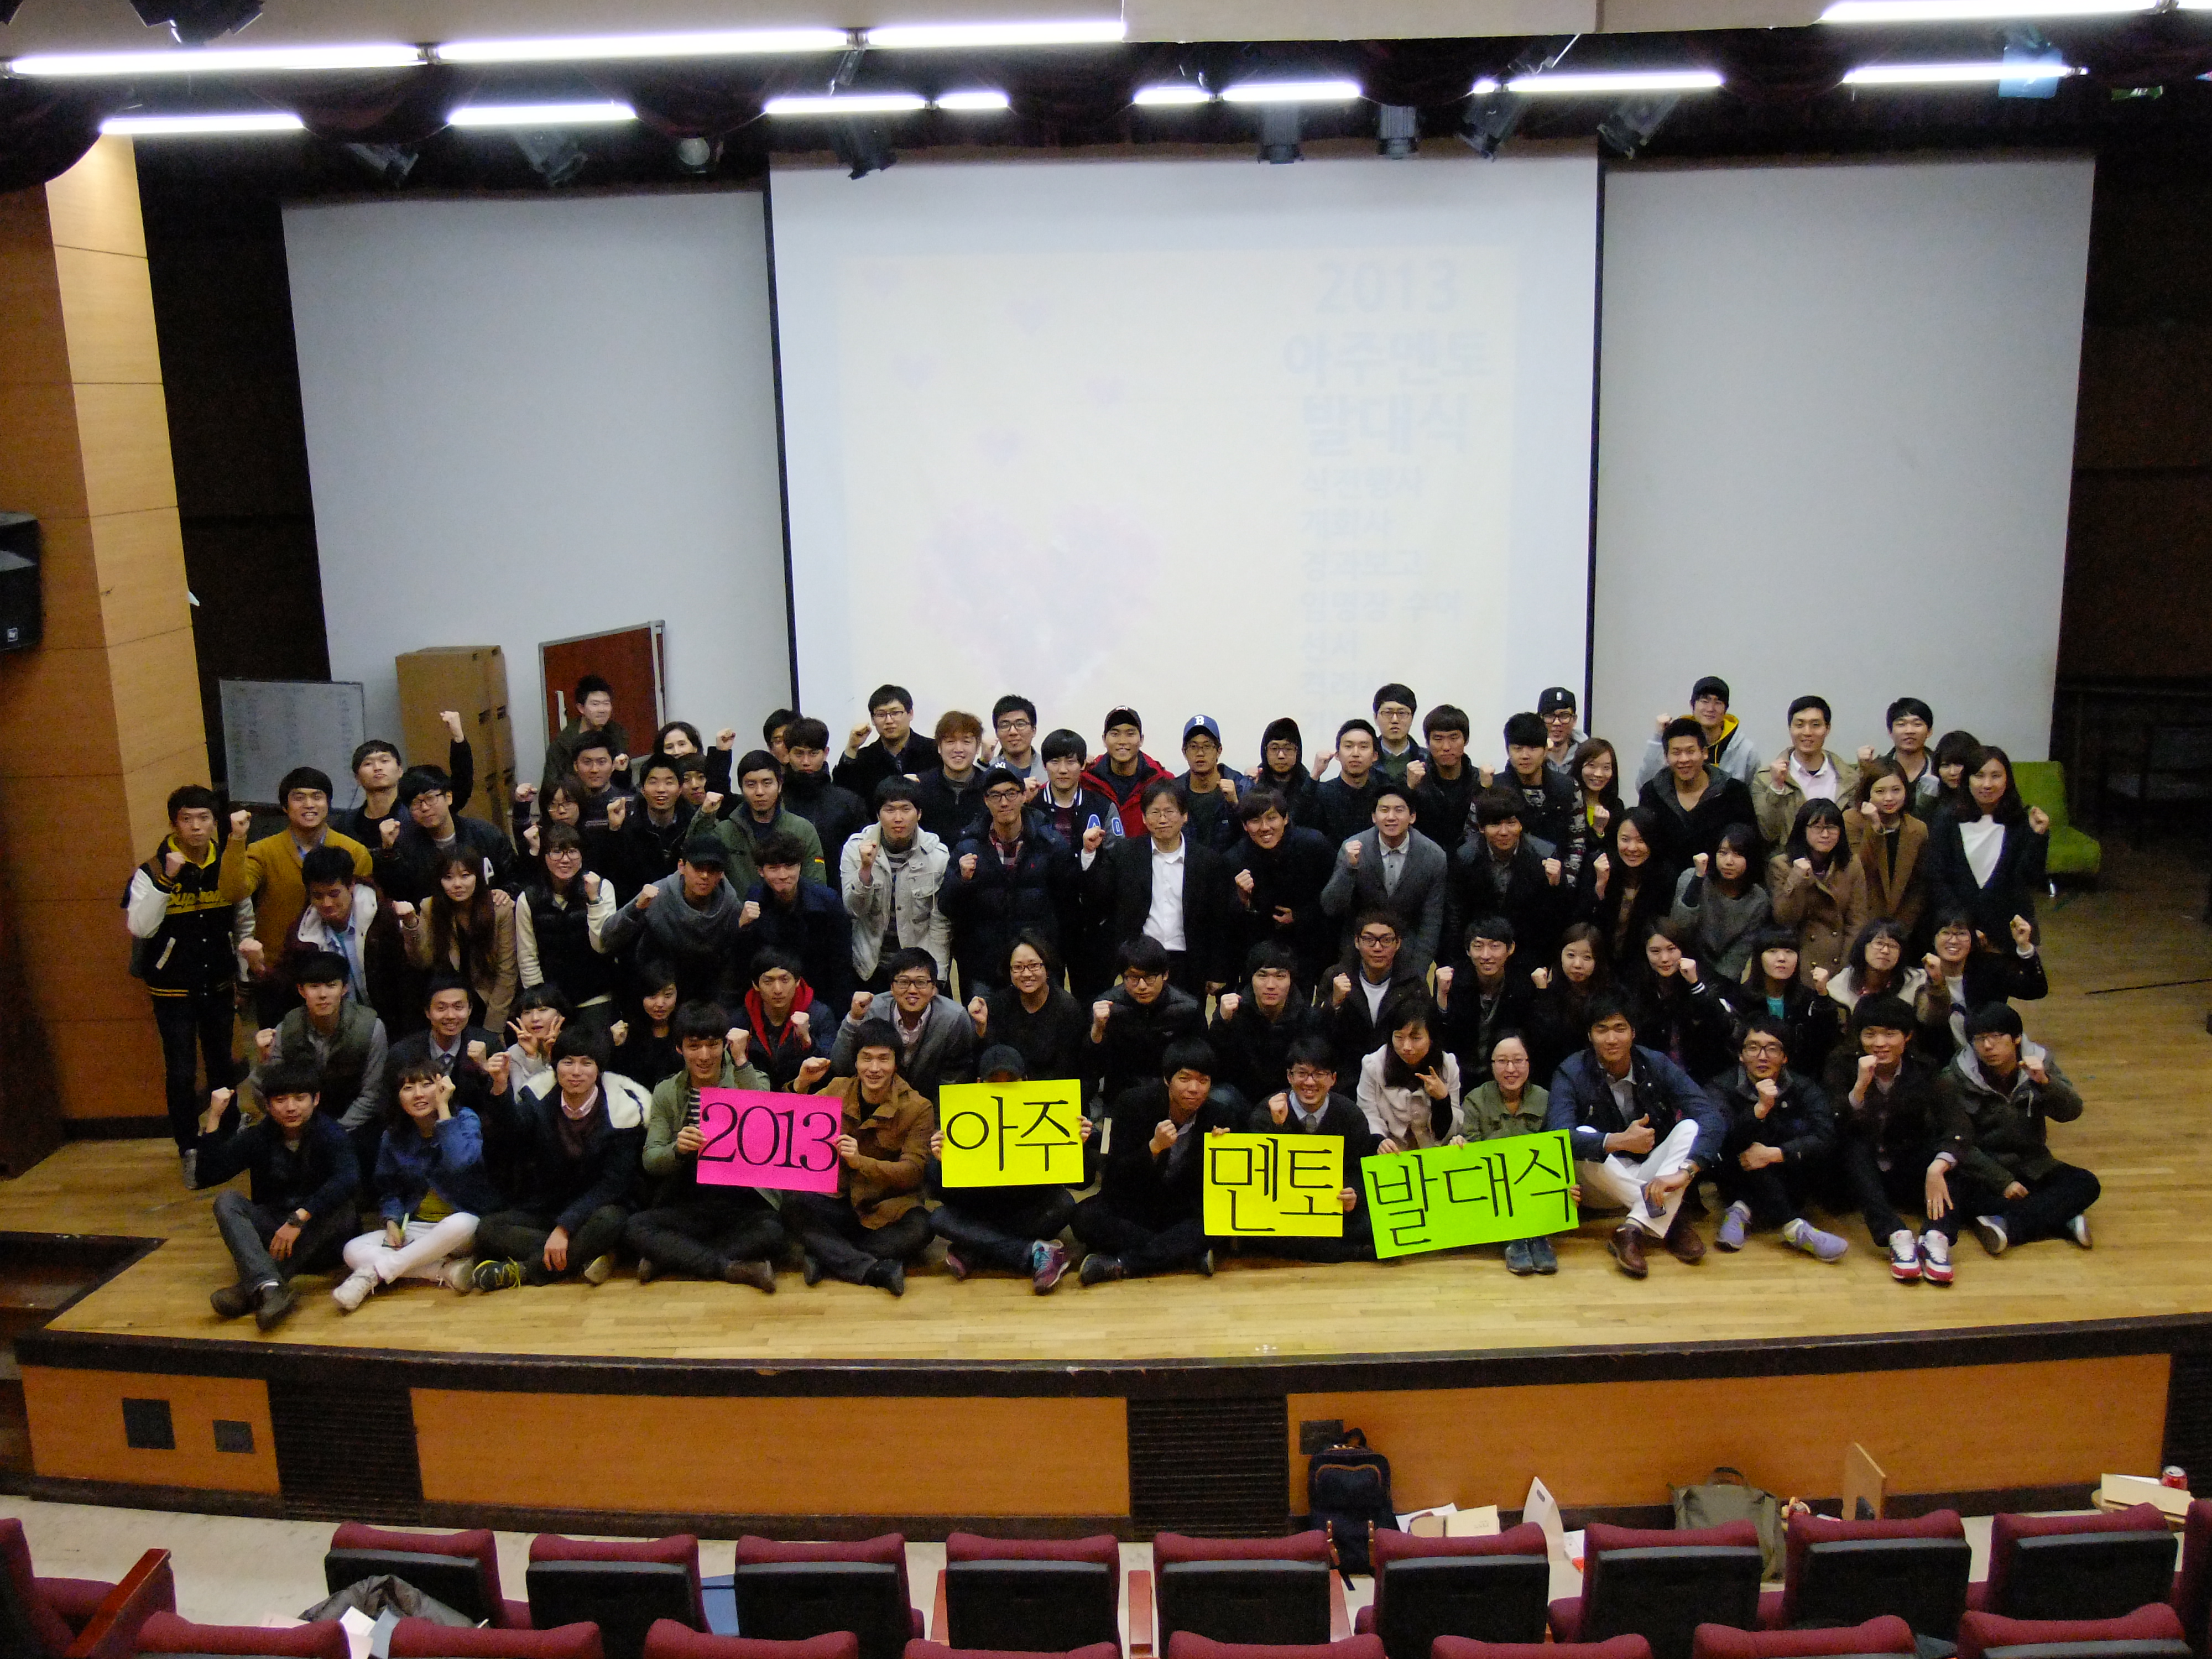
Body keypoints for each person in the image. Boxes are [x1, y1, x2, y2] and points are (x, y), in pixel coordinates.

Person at [1548, 993, 1725, 1277]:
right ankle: (1669, 1219)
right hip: (1600, 1184)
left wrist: (1687, 1172)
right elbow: (1557, 1136)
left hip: (1652, 1174)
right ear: (1590, 1036)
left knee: (1690, 1127)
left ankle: (1631, 1229)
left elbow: (1711, 1117)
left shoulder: (1656, 1063)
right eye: (1602, 1030)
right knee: (1583, 1135)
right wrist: (1618, 1141)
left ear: (1633, 1032)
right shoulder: (1571, 1071)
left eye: (1620, 1028)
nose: (1611, 1039)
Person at [126, 784, 245, 1177]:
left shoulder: (226, 863)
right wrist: (167, 881)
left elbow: (242, 916)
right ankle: (188, 1144)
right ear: (174, 824)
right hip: (172, 988)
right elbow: (140, 927)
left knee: (222, 1064)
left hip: (219, 982)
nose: (196, 827)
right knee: (180, 1071)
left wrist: (244, 975)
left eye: (204, 818)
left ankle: (228, 1133)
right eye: (187, 819)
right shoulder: (151, 870)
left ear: (215, 822)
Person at [472, 1026, 649, 1289]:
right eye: (568, 1062)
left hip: (599, 1207)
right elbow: (512, 1134)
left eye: (586, 1063)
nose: (576, 1072)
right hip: (551, 1206)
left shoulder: (623, 1110)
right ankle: (587, 1254)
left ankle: (525, 1271)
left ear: (599, 1069)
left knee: (611, 1220)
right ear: (556, 1065)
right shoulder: (540, 1097)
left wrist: (565, 1228)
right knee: (488, 1228)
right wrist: (500, 1087)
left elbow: (613, 1184)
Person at [624, 1001, 782, 1291]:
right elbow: (651, 1159)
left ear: (725, 1045)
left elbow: (766, 1126)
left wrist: (741, 1060)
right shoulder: (667, 1090)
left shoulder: (749, 1077)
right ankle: (732, 1268)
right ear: (679, 1049)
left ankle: (673, 1257)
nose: (705, 1056)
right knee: (636, 1227)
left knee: (774, 1230)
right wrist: (677, 1149)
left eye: (713, 1045)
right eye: (694, 1046)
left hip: (742, 1202)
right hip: (688, 1201)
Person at [193, 1063, 358, 1331]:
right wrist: (214, 1117)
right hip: (274, 1234)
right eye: (281, 1100)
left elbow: (348, 1179)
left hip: (318, 1238)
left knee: (344, 1210)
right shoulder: (259, 1136)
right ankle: (270, 1287)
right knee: (227, 1201)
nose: (291, 1108)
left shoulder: (331, 1133)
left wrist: (299, 1219)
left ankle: (254, 1288)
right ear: (268, 1106)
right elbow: (208, 1174)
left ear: (316, 1099)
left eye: (300, 1098)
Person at [332, 1061, 500, 1310]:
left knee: (461, 1223)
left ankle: (374, 1274)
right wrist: (392, 1221)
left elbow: (458, 1163)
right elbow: (389, 1188)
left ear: (443, 1087)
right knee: (352, 1250)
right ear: (398, 1097)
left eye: (427, 1085)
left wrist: (443, 1110)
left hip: (464, 1224)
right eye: (408, 1088)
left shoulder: (465, 1119)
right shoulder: (394, 1136)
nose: (418, 1094)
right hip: (418, 1227)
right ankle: (444, 1271)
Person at [787, 1016, 936, 1295]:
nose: (875, 1069)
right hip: (840, 1202)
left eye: (884, 1059)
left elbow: (913, 1172)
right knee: (793, 1203)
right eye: (866, 1059)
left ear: (897, 1063)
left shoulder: (919, 1107)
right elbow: (789, 1126)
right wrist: (801, 1084)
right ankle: (871, 1269)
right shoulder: (837, 1089)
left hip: (887, 1208)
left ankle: (826, 1255)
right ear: (855, 1061)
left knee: (923, 1229)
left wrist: (861, 1162)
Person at [1937, 1002, 2098, 1256]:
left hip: (2033, 1164)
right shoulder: (1953, 1079)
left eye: (1996, 1037)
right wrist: (2003, 1182)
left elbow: (2071, 1112)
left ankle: (2008, 1227)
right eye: (1979, 1039)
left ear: (2017, 1038)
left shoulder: (2040, 1064)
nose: (1988, 1046)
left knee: (2086, 1183)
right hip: (1985, 1171)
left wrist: (2045, 1083)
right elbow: (1958, 1142)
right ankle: (2061, 1218)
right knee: (1960, 1198)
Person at [928, 1042, 1089, 1291]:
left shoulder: (1045, 1115)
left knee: (1064, 1205)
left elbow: (1081, 1181)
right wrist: (941, 1162)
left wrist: (1079, 1146)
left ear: (1026, 1081)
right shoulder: (962, 1120)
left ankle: (977, 1249)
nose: (1003, 1089)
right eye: (994, 1082)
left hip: (1026, 1213)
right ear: (979, 1084)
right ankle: (1033, 1253)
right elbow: (939, 1191)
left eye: (1011, 1082)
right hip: (979, 1214)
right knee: (940, 1219)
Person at [1074, 1037, 1238, 1283]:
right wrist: (1153, 1148)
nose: (1194, 1089)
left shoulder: (1220, 1116)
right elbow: (1114, 1178)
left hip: (1181, 1210)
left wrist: (1221, 1154)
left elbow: (1221, 1193)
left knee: (1217, 1223)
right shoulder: (1132, 1104)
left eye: (1203, 1081)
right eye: (1185, 1079)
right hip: (1137, 1206)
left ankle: (1120, 1265)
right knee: (1083, 1217)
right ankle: (1185, 1253)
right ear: (1167, 1079)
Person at [218, 768, 374, 1024]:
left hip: (338, 978)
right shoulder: (263, 851)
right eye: (299, 797)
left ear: (329, 803)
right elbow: (233, 891)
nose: (309, 804)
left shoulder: (354, 851)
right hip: (279, 974)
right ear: (285, 807)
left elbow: (366, 910)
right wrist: (237, 838)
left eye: (317, 796)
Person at [1823, 994, 1957, 1284]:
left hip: (1905, 1162)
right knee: (1853, 1145)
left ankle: (1937, 1236)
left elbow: (1956, 1124)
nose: (1880, 1043)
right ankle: (1895, 1235)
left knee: (1948, 1159)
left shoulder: (1925, 1068)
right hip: (1858, 1175)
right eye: (1870, 1034)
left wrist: (1939, 1165)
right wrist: (1859, 1087)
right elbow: (1833, 1125)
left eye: (1890, 1034)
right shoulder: (1841, 1063)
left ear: (1907, 1037)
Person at [1707, 1016, 1847, 1260]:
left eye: (1772, 1048)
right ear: (1741, 1055)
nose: (1762, 1056)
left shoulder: (1805, 1088)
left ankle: (1741, 1209)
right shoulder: (1720, 1087)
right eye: (1753, 1048)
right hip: (1736, 1171)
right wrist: (1759, 1110)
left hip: (1792, 1176)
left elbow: (1825, 1136)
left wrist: (1776, 1154)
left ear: (1785, 1057)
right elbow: (1721, 1138)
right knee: (1743, 1148)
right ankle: (1793, 1226)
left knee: (1793, 1143)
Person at [1086, 778, 1235, 999]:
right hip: (1138, 960)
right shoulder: (1125, 854)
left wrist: (1217, 971)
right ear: (1144, 818)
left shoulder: (1208, 861)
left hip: (1189, 963)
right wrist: (1090, 854)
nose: (1163, 819)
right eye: (1155, 813)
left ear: (1185, 816)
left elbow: (1219, 920)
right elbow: (1098, 899)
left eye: (1170, 812)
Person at [247, 949, 388, 1174]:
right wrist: (263, 1061)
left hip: (352, 1116)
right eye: (314, 987)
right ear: (301, 991)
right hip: (301, 1116)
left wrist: (332, 1133)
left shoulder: (371, 1028)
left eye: (331, 986)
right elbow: (266, 1098)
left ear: (345, 988)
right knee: (262, 1144)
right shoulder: (287, 1029)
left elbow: (372, 1094)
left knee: (368, 1146)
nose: (323, 995)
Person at [945, 766, 1077, 997]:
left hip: (1038, 965)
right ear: (986, 800)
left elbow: (1069, 907)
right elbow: (947, 907)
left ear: (1024, 796)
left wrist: (1054, 953)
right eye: (996, 795)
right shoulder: (968, 846)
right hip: (983, 970)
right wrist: (962, 881)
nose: (1004, 802)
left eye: (1011, 793)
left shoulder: (1051, 845)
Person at [1245, 1035, 1371, 1264]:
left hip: (1331, 1207)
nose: (1310, 1082)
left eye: (1319, 1074)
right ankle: (1350, 1252)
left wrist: (1354, 1195)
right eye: (1302, 1073)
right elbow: (1260, 1174)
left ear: (1333, 1079)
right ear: (1289, 1076)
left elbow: (1359, 1168)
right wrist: (1278, 1127)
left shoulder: (1351, 1115)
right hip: (1286, 1207)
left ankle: (1325, 1247)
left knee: (1372, 1219)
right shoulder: (1266, 1112)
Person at [1453, 1030, 1558, 1275]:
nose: (1511, 1069)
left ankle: (1538, 1238)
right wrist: (1460, 1145)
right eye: (1502, 1061)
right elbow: (1474, 1154)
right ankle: (1514, 1239)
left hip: (1534, 1187)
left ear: (1529, 1063)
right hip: (1495, 1189)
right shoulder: (1475, 1100)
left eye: (1518, 1060)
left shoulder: (1546, 1099)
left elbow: (1556, 1152)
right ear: (1491, 1065)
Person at [601, 832, 748, 1006]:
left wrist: (743, 928)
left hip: (707, 997)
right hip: (657, 994)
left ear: (721, 874)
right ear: (681, 867)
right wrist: (636, 909)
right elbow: (608, 940)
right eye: (698, 868)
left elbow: (731, 964)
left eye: (713, 870)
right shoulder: (657, 895)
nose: (705, 876)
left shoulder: (731, 904)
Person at [1926, 745, 2053, 945]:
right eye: (1979, 776)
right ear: (1967, 779)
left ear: (2007, 780)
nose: (1987, 784)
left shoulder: (2021, 821)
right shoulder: (1947, 819)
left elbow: (2030, 879)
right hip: (1957, 933)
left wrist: (2038, 836)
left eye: (1996, 776)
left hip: (2009, 930)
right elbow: (1937, 879)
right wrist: (1965, 927)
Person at [1321, 780, 1448, 974]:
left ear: (1412, 817)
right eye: (1384, 810)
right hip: (1359, 952)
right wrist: (1349, 869)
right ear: (1374, 817)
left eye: (1399, 810)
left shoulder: (1433, 856)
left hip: (1407, 952)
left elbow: (1431, 921)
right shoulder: (1353, 847)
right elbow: (1331, 907)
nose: (1391, 817)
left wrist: (1418, 972)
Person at [841, 776, 953, 990]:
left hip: (917, 968)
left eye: (906, 809)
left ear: (919, 814)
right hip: (869, 965)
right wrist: (865, 870)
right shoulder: (855, 849)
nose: (898, 818)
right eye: (890, 810)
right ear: (878, 815)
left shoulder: (937, 856)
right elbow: (854, 911)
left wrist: (938, 977)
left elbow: (940, 922)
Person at [285, 844, 408, 1035]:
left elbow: (406, 980)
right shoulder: (300, 935)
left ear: (351, 885)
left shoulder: (384, 919)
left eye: (334, 894)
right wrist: (259, 968)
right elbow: (289, 986)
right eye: (317, 896)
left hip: (394, 1024)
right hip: (338, 1031)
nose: (327, 904)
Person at [397, 852, 519, 1037]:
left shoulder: (499, 909)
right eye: (448, 877)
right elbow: (421, 961)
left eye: (465, 876)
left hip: (488, 1001)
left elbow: (507, 973)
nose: (457, 884)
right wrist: (411, 925)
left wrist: (493, 1030)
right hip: (446, 1000)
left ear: (478, 876)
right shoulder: (430, 907)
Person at [834, 945, 977, 1099]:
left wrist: (927, 1112)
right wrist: (854, 1019)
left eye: (921, 982)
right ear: (892, 987)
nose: (912, 990)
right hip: (877, 1099)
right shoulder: (872, 1010)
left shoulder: (954, 1018)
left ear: (934, 988)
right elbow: (841, 1067)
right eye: (904, 982)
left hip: (931, 1102)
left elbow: (955, 1077)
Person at [1227, 787, 1335, 989]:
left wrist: (1300, 916)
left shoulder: (1314, 846)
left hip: (1310, 946)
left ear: (1285, 819)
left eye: (1272, 818)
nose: (1265, 828)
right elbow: (1229, 925)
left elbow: (1334, 899)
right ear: (1245, 826)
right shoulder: (1234, 859)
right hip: (1259, 953)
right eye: (1255, 821)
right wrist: (1243, 900)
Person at [737, 831, 857, 1012]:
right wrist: (742, 927)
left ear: (800, 867)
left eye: (790, 867)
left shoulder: (827, 902)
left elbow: (841, 964)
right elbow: (746, 962)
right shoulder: (755, 898)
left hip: (820, 996)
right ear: (761, 871)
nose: (783, 875)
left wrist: (837, 1013)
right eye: (774, 868)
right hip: (773, 997)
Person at [515, 825, 619, 1030]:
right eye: (556, 852)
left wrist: (594, 900)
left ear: (582, 855)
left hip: (597, 996)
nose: (565, 860)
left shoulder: (602, 887)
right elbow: (528, 957)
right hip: (551, 1002)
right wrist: (541, 1005)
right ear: (545, 856)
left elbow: (603, 945)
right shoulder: (528, 898)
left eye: (572, 851)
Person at [1637, 718, 1760, 887]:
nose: (1684, 759)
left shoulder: (1734, 792)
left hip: (1720, 889)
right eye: (1676, 753)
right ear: (1666, 757)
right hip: (1663, 891)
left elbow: (1750, 848)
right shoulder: (1651, 793)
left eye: (1690, 751)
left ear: (1704, 753)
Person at [1455, 787, 1569, 971]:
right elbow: (1458, 917)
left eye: (1511, 823)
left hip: (1529, 952)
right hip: (1481, 954)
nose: (1504, 832)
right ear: (1482, 828)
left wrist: (1556, 885)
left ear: (1521, 825)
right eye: (1495, 824)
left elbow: (1553, 921)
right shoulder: (1465, 858)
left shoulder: (1545, 855)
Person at [1086, 936, 1206, 1103]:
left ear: (1165, 975)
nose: (1142, 986)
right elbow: (1091, 1068)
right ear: (1123, 977)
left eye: (1149, 978)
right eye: (1133, 978)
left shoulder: (1188, 1008)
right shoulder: (1107, 1007)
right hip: (1123, 1093)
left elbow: (1201, 1060)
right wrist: (1097, 1030)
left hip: (1172, 1094)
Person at [1208, 942, 1329, 1105]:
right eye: (1262, 976)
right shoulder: (1233, 1013)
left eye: (1280, 976)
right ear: (1251, 979)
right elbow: (1214, 1066)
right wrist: (1222, 1023)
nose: (1271, 986)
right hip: (1241, 1096)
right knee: (1220, 1098)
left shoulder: (1308, 1018)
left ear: (1291, 980)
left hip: (1291, 1097)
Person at [378, 764, 517, 906]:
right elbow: (397, 894)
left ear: (449, 797)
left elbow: (516, 877)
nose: (424, 808)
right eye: (416, 803)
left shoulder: (487, 835)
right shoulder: (405, 847)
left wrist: (506, 892)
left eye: (430, 798)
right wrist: (388, 852)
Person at [335, 712, 474, 847]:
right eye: (368, 764)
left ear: (400, 770)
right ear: (357, 778)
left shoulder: (421, 810)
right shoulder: (346, 825)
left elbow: (461, 787)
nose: (377, 768)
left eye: (384, 761)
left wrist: (458, 738)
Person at [1770, 799, 1870, 987]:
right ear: (1803, 829)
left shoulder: (1851, 865)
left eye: (1831, 828)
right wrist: (1797, 878)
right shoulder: (1782, 865)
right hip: (1799, 957)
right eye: (1817, 827)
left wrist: (1844, 968)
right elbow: (1784, 919)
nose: (1825, 835)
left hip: (1837, 960)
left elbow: (1857, 922)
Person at [1621, 919, 1735, 1082]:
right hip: (1654, 1073)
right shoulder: (1634, 985)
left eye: (1672, 949)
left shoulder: (1706, 978)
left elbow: (1723, 1026)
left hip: (1704, 1074)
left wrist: (1695, 984)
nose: (1665, 958)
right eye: (1655, 951)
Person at [1324, 909, 1429, 1083]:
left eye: (1386, 940)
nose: (1378, 948)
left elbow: (1426, 1033)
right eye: (1369, 939)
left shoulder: (1414, 983)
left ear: (1398, 944)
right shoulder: (1335, 977)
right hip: (1344, 1076)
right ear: (1357, 942)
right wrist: (1334, 1003)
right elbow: (1317, 1032)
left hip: (1396, 1076)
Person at [1720, 928, 1837, 1081]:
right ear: (1758, 958)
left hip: (1800, 1079)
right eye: (1772, 951)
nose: (1782, 958)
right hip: (1747, 1078)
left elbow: (1826, 1042)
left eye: (1789, 952)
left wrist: (1822, 995)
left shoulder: (1809, 999)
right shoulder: (1738, 998)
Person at [970, 932, 1086, 1084]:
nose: (1026, 974)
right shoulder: (999, 1003)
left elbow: (1071, 1069)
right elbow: (989, 1061)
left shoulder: (1068, 1008)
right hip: (1008, 1088)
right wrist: (981, 1029)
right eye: (1018, 967)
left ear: (1047, 968)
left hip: (1052, 1089)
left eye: (1034, 966)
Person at [1436, 917, 1535, 1089]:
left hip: (1505, 1075)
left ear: (1510, 948)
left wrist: (1542, 991)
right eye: (1478, 946)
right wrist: (1442, 996)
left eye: (1495, 946)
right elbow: (1442, 1035)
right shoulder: (1453, 981)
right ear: (1468, 950)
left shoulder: (1523, 985)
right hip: (1459, 1073)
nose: (1486, 956)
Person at [1752, 696, 1861, 848]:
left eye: (1815, 725)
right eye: (1800, 725)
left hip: (1837, 860)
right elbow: (1768, 834)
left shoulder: (1850, 778)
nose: (1807, 732)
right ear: (1790, 728)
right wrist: (1776, 788)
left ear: (1828, 728)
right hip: (1788, 860)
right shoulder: (1765, 778)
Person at [1827, 919, 1953, 1048]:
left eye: (1893, 946)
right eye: (1879, 943)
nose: (1885, 951)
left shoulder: (1916, 982)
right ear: (1864, 946)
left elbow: (1934, 1020)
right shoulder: (1840, 986)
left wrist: (1937, 983)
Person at [1668, 824, 1771, 983]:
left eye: (1738, 854)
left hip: (1723, 978)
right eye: (1723, 853)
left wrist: (1719, 984)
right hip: (1682, 963)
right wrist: (1698, 879)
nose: (1729, 861)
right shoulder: (1691, 877)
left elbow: (1742, 950)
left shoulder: (1759, 899)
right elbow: (1679, 925)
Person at [716, 750, 828, 893]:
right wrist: (704, 816)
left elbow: (816, 885)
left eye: (767, 783)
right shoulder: (725, 831)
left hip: (791, 906)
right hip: (741, 906)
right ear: (741, 788)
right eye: (751, 785)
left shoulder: (802, 829)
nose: (760, 792)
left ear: (780, 785)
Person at [1357, 1001, 1459, 1154]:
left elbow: (1452, 1129)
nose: (1406, 1047)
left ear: (1431, 1038)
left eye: (1416, 1038)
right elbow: (1367, 1113)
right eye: (1399, 1037)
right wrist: (1380, 1141)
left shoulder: (1448, 1065)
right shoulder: (1373, 1064)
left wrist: (1442, 1100)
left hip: (1435, 1152)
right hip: (1391, 1152)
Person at [1634, 676, 1762, 790]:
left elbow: (1752, 798)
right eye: (1704, 701)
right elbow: (1644, 787)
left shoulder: (1745, 750)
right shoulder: (1676, 740)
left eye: (1718, 703)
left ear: (1726, 709)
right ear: (1692, 705)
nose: (1710, 709)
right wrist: (1658, 739)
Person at [733, 947, 834, 1091]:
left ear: (798, 981)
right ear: (756, 985)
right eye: (768, 981)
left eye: (785, 980)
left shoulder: (820, 1015)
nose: (778, 990)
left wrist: (808, 1043)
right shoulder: (740, 1020)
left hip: (807, 1095)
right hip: (757, 1096)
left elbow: (831, 1073)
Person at [1852, 757, 1932, 940]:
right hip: (1861, 922)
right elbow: (1860, 870)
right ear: (1868, 793)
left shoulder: (1918, 829)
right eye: (1880, 791)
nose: (1889, 798)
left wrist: (1902, 927)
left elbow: (1919, 886)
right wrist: (1874, 826)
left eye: (1896, 790)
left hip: (1903, 927)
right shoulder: (1852, 821)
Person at [1580, 805, 1670, 968]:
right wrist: (1600, 886)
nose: (1632, 848)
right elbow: (1582, 922)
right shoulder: (1600, 864)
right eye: (1625, 839)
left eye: (1641, 840)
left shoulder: (1664, 875)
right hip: (1597, 960)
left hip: (1640, 963)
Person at [600, 753, 697, 901]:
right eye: (653, 782)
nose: (661, 789)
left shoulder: (693, 824)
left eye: (669, 782)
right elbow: (614, 876)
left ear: (680, 789)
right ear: (642, 789)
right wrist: (614, 830)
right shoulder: (627, 824)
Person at [782, 718, 869, 860]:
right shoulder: (777, 801)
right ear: (787, 754)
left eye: (813, 753)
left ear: (826, 753)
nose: (806, 762)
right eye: (799, 753)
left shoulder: (848, 802)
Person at [834, 684, 938, 801]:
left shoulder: (934, 751)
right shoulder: (865, 759)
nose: (889, 721)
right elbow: (842, 797)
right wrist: (852, 748)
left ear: (910, 713)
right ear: (873, 719)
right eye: (881, 715)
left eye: (895, 713)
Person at [1080, 707, 1173, 837]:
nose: (1122, 741)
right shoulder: (1086, 779)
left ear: (1142, 739)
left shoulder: (1163, 781)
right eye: (1115, 734)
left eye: (1130, 734)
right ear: (1104, 739)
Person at [541, 674, 630, 799]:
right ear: (581, 708)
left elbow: (626, 786)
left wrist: (622, 772)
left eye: (606, 704)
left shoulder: (618, 735)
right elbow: (550, 788)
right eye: (595, 704)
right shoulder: (562, 744)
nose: (602, 710)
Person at [1406, 704, 1478, 855]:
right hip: (1424, 858)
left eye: (1454, 738)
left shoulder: (1478, 780)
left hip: (1470, 861)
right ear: (1427, 743)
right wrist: (1409, 789)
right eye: (1438, 739)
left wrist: (1485, 789)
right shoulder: (1412, 780)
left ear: (1466, 740)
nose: (1446, 747)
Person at [1498, 712, 1575, 852]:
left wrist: (1564, 868)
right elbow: (1474, 836)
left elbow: (1577, 842)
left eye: (1533, 748)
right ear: (1508, 750)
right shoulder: (1494, 789)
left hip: (1557, 864)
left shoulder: (1567, 788)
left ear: (1546, 750)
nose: (1525, 756)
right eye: (1518, 748)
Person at [1560, 737, 1625, 894]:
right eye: (1591, 766)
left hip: (1601, 888)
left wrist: (1601, 832)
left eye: (1606, 768)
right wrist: (1596, 830)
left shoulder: (1616, 807)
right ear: (1579, 766)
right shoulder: (1566, 801)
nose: (1599, 774)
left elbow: (1613, 855)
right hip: (1568, 884)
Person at [915, 710, 990, 845]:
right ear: (939, 747)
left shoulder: (990, 787)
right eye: (950, 741)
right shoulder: (921, 786)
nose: (958, 749)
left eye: (966, 742)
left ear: (978, 747)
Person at [1175, 716, 1248, 854]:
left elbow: (1254, 835)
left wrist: (1235, 805)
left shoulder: (1242, 787)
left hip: (1230, 865)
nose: (1200, 753)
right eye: (1194, 747)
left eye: (1207, 746)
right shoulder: (1175, 792)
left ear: (1219, 751)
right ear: (1184, 752)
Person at [611, 961, 686, 1091]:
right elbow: (616, 1082)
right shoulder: (626, 1032)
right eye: (652, 996)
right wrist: (616, 1046)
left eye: (668, 995)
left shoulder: (687, 1029)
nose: (660, 1003)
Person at [1312, 719, 1384, 846]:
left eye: (1364, 747)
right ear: (1337, 755)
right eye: (1348, 746)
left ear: (1375, 756)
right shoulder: (1322, 793)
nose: (1355, 754)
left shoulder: (1384, 794)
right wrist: (1315, 775)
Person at [1872, 697, 1943, 816]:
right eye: (1901, 724)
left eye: (1917, 724)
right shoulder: (1876, 769)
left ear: (1929, 731)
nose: (1909, 731)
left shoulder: (1942, 769)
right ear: (1890, 732)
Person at [1251, 717, 1322, 831]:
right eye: (1274, 748)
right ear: (1265, 752)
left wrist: (1313, 781)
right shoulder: (1254, 782)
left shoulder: (1311, 785)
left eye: (1288, 749)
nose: (1281, 755)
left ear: (1298, 751)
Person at [566, 734, 629, 833]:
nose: (594, 770)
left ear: (613, 765)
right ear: (576, 766)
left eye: (602, 762)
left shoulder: (628, 803)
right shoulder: (568, 805)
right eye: (587, 762)